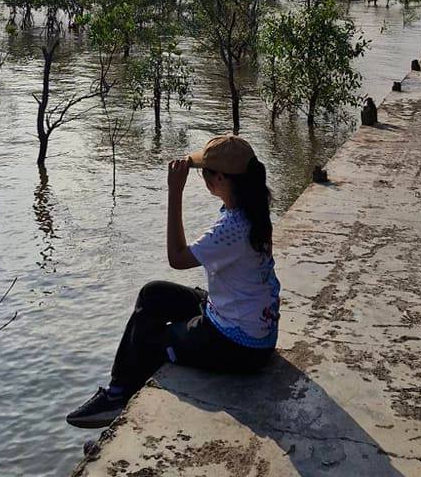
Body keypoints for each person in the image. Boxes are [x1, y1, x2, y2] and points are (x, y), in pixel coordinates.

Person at [66, 133, 280, 428]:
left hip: (239, 345)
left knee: (147, 343)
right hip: (253, 328)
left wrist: (174, 192)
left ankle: (118, 397)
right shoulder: (253, 210)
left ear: (219, 179)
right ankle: (118, 389)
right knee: (153, 294)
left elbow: (177, 258)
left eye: (204, 173)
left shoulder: (232, 229)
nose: (202, 178)